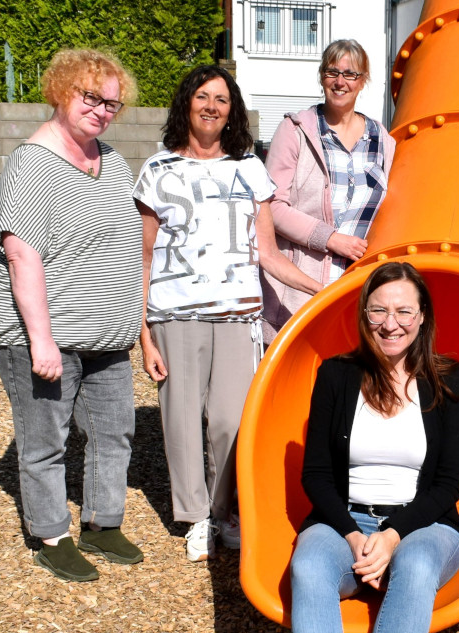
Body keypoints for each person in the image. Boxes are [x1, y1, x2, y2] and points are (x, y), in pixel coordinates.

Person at [291, 262, 459, 633]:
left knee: (414, 566)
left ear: (422, 317)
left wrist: (391, 536)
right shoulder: (337, 374)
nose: (390, 323)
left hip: (424, 523)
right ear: (363, 314)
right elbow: (316, 475)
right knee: (306, 565)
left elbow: (448, 484)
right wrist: (349, 535)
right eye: (378, 310)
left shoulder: (447, 376)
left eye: (403, 311)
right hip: (346, 519)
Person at [134, 65, 321, 563]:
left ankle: (225, 512)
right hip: (175, 314)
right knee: (179, 420)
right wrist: (144, 334)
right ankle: (196, 518)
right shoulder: (156, 170)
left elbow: (269, 254)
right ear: (186, 104)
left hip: (238, 316)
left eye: (221, 98)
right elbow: (145, 257)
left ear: (232, 109)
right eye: (202, 96)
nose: (212, 106)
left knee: (229, 422)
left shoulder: (250, 169)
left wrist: (322, 289)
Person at [0, 48, 144, 582]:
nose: (100, 110)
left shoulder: (112, 160)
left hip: (104, 335)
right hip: (44, 334)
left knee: (114, 429)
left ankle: (103, 522)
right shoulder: (33, 162)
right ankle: (51, 534)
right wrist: (41, 341)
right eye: (90, 97)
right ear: (61, 90)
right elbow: (21, 253)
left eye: (111, 104)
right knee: (45, 439)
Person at [262, 39, 396, 340]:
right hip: (299, 288)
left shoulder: (382, 140)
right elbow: (272, 207)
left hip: (357, 286)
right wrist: (331, 239)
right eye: (332, 72)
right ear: (322, 76)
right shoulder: (296, 130)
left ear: (363, 81)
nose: (340, 82)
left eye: (350, 74)